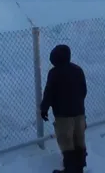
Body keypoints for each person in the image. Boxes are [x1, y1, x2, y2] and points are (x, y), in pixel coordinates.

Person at [40, 44, 87, 173]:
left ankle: (70, 169)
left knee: (67, 143)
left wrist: (44, 109)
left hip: (63, 115)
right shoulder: (78, 70)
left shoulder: (54, 73)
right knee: (79, 139)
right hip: (79, 113)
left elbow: (49, 93)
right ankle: (80, 167)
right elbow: (84, 90)